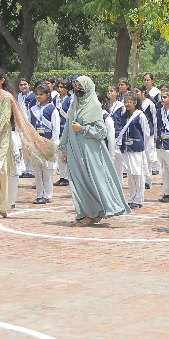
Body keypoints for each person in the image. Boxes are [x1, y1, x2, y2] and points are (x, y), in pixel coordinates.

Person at [0, 68, 54, 220]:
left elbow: (4, 120)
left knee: (2, 172)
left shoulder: (7, 98)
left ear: (2, 80)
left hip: (2, 141)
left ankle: (4, 208)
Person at [59, 76, 130, 226]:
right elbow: (67, 128)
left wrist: (83, 128)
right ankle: (83, 212)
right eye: (76, 85)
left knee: (92, 180)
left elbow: (101, 132)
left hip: (90, 150)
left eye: (81, 85)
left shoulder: (95, 106)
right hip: (74, 149)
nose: (78, 88)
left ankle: (93, 213)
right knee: (78, 180)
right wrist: (64, 148)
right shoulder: (73, 106)